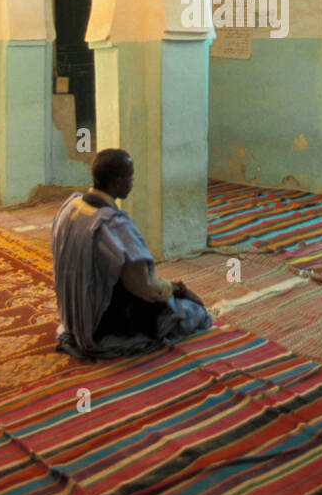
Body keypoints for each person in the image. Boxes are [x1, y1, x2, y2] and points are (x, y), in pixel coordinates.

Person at [51, 147, 212, 359]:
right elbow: (144, 287)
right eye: (130, 177)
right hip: (100, 324)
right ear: (117, 182)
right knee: (192, 313)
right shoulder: (113, 225)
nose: (132, 183)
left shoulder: (69, 206)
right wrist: (177, 289)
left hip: (73, 314)